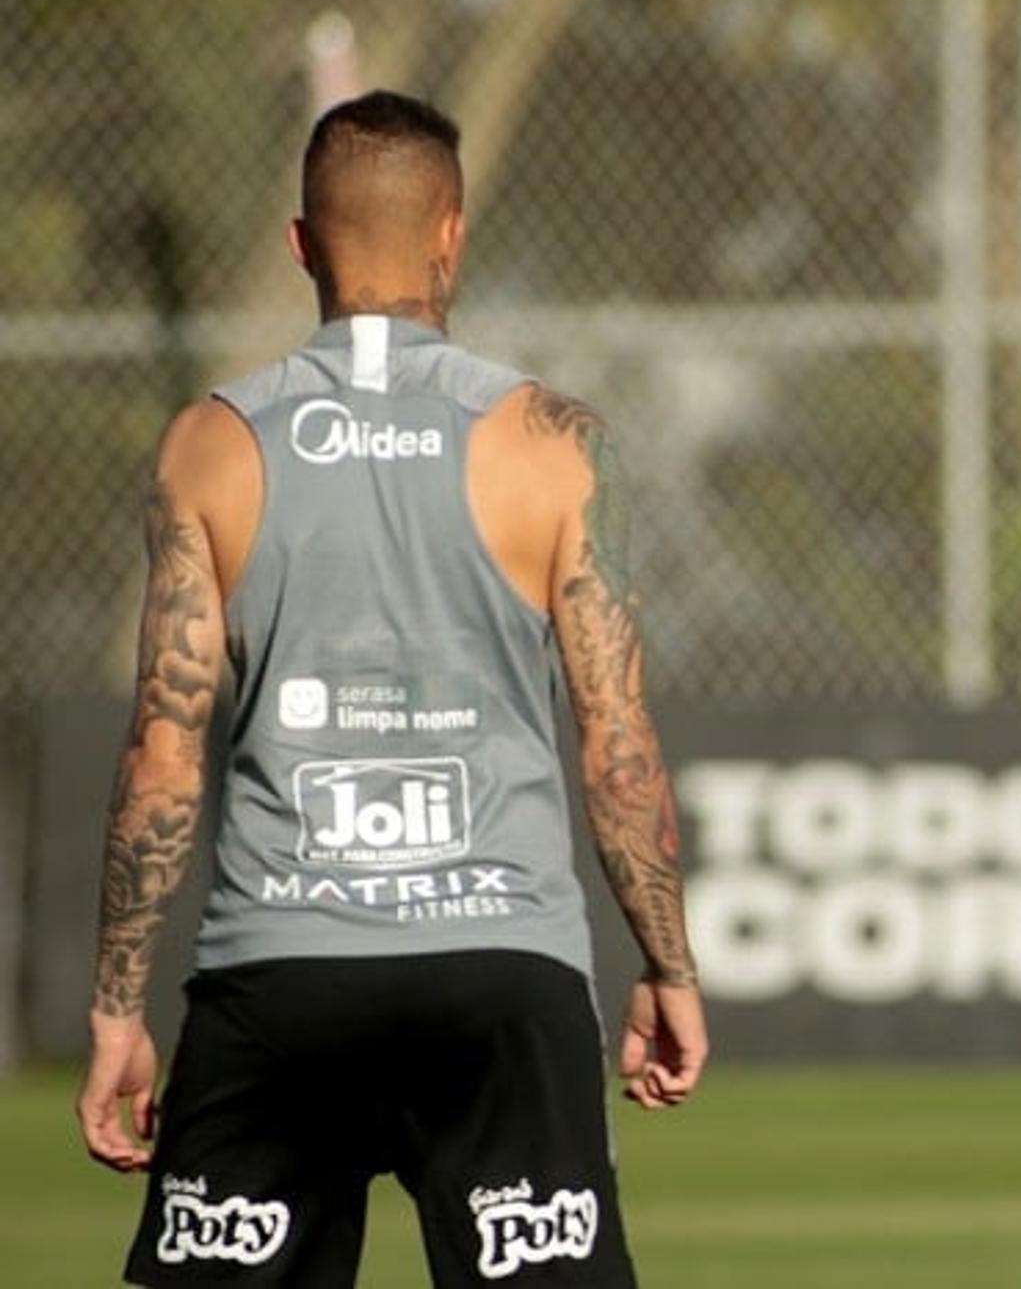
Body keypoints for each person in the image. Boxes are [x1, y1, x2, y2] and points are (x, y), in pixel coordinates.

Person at [75, 89, 706, 1287]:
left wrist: (116, 1006)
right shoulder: (556, 441)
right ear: (452, 234)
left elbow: (163, 756)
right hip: (502, 975)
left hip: (275, 980)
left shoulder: (208, 444)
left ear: (301, 243)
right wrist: (667, 967)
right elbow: (616, 749)